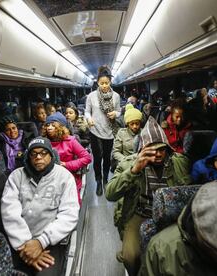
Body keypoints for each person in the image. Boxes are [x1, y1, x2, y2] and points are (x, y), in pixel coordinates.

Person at [105, 116, 192, 276]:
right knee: (131, 257)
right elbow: (110, 194)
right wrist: (134, 171)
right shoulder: (128, 163)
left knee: (179, 256)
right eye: (152, 150)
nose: (158, 154)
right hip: (140, 212)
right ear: (143, 148)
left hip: (172, 215)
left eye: (161, 149)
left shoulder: (179, 162)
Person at [1, 137, 80, 275]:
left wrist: (40, 242)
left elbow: (69, 215)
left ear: (51, 155)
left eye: (43, 153)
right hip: (18, 241)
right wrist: (24, 245)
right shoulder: (16, 176)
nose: (38, 157)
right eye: (34, 154)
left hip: (50, 242)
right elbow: (10, 212)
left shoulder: (64, 177)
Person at [85, 65, 122, 195]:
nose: (104, 85)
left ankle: (106, 179)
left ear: (110, 82)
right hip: (95, 131)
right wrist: (89, 119)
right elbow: (87, 111)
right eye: (102, 83)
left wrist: (115, 114)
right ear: (97, 83)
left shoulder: (116, 96)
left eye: (107, 83)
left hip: (109, 132)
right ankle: (98, 181)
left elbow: (119, 111)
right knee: (97, 157)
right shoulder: (91, 96)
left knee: (107, 157)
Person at [42, 112, 91, 205]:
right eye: (47, 125)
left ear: (60, 127)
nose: (49, 127)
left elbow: (87, 158)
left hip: (69, 176)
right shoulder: (43, 142)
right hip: (48, 177)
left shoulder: (70, 141)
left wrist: (66, 164)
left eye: (53, 125)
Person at [111, 104, 142, 172]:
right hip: (125, 165)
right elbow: (116, 152)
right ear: (127, 124)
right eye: (132, 124)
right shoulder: (122, 133)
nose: (135, 126)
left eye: (137, 124)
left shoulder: (144, 133)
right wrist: (127, 160)